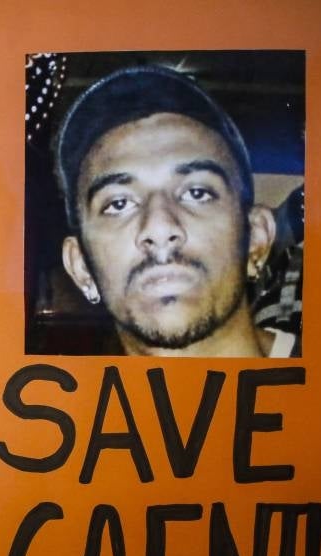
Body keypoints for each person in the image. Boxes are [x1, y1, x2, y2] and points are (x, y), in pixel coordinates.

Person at [54, 66, 300, 357]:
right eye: (118, 204)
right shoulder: (64, 400)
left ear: (256, 240)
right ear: (82, 267)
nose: (159, 227)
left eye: (197, 193)